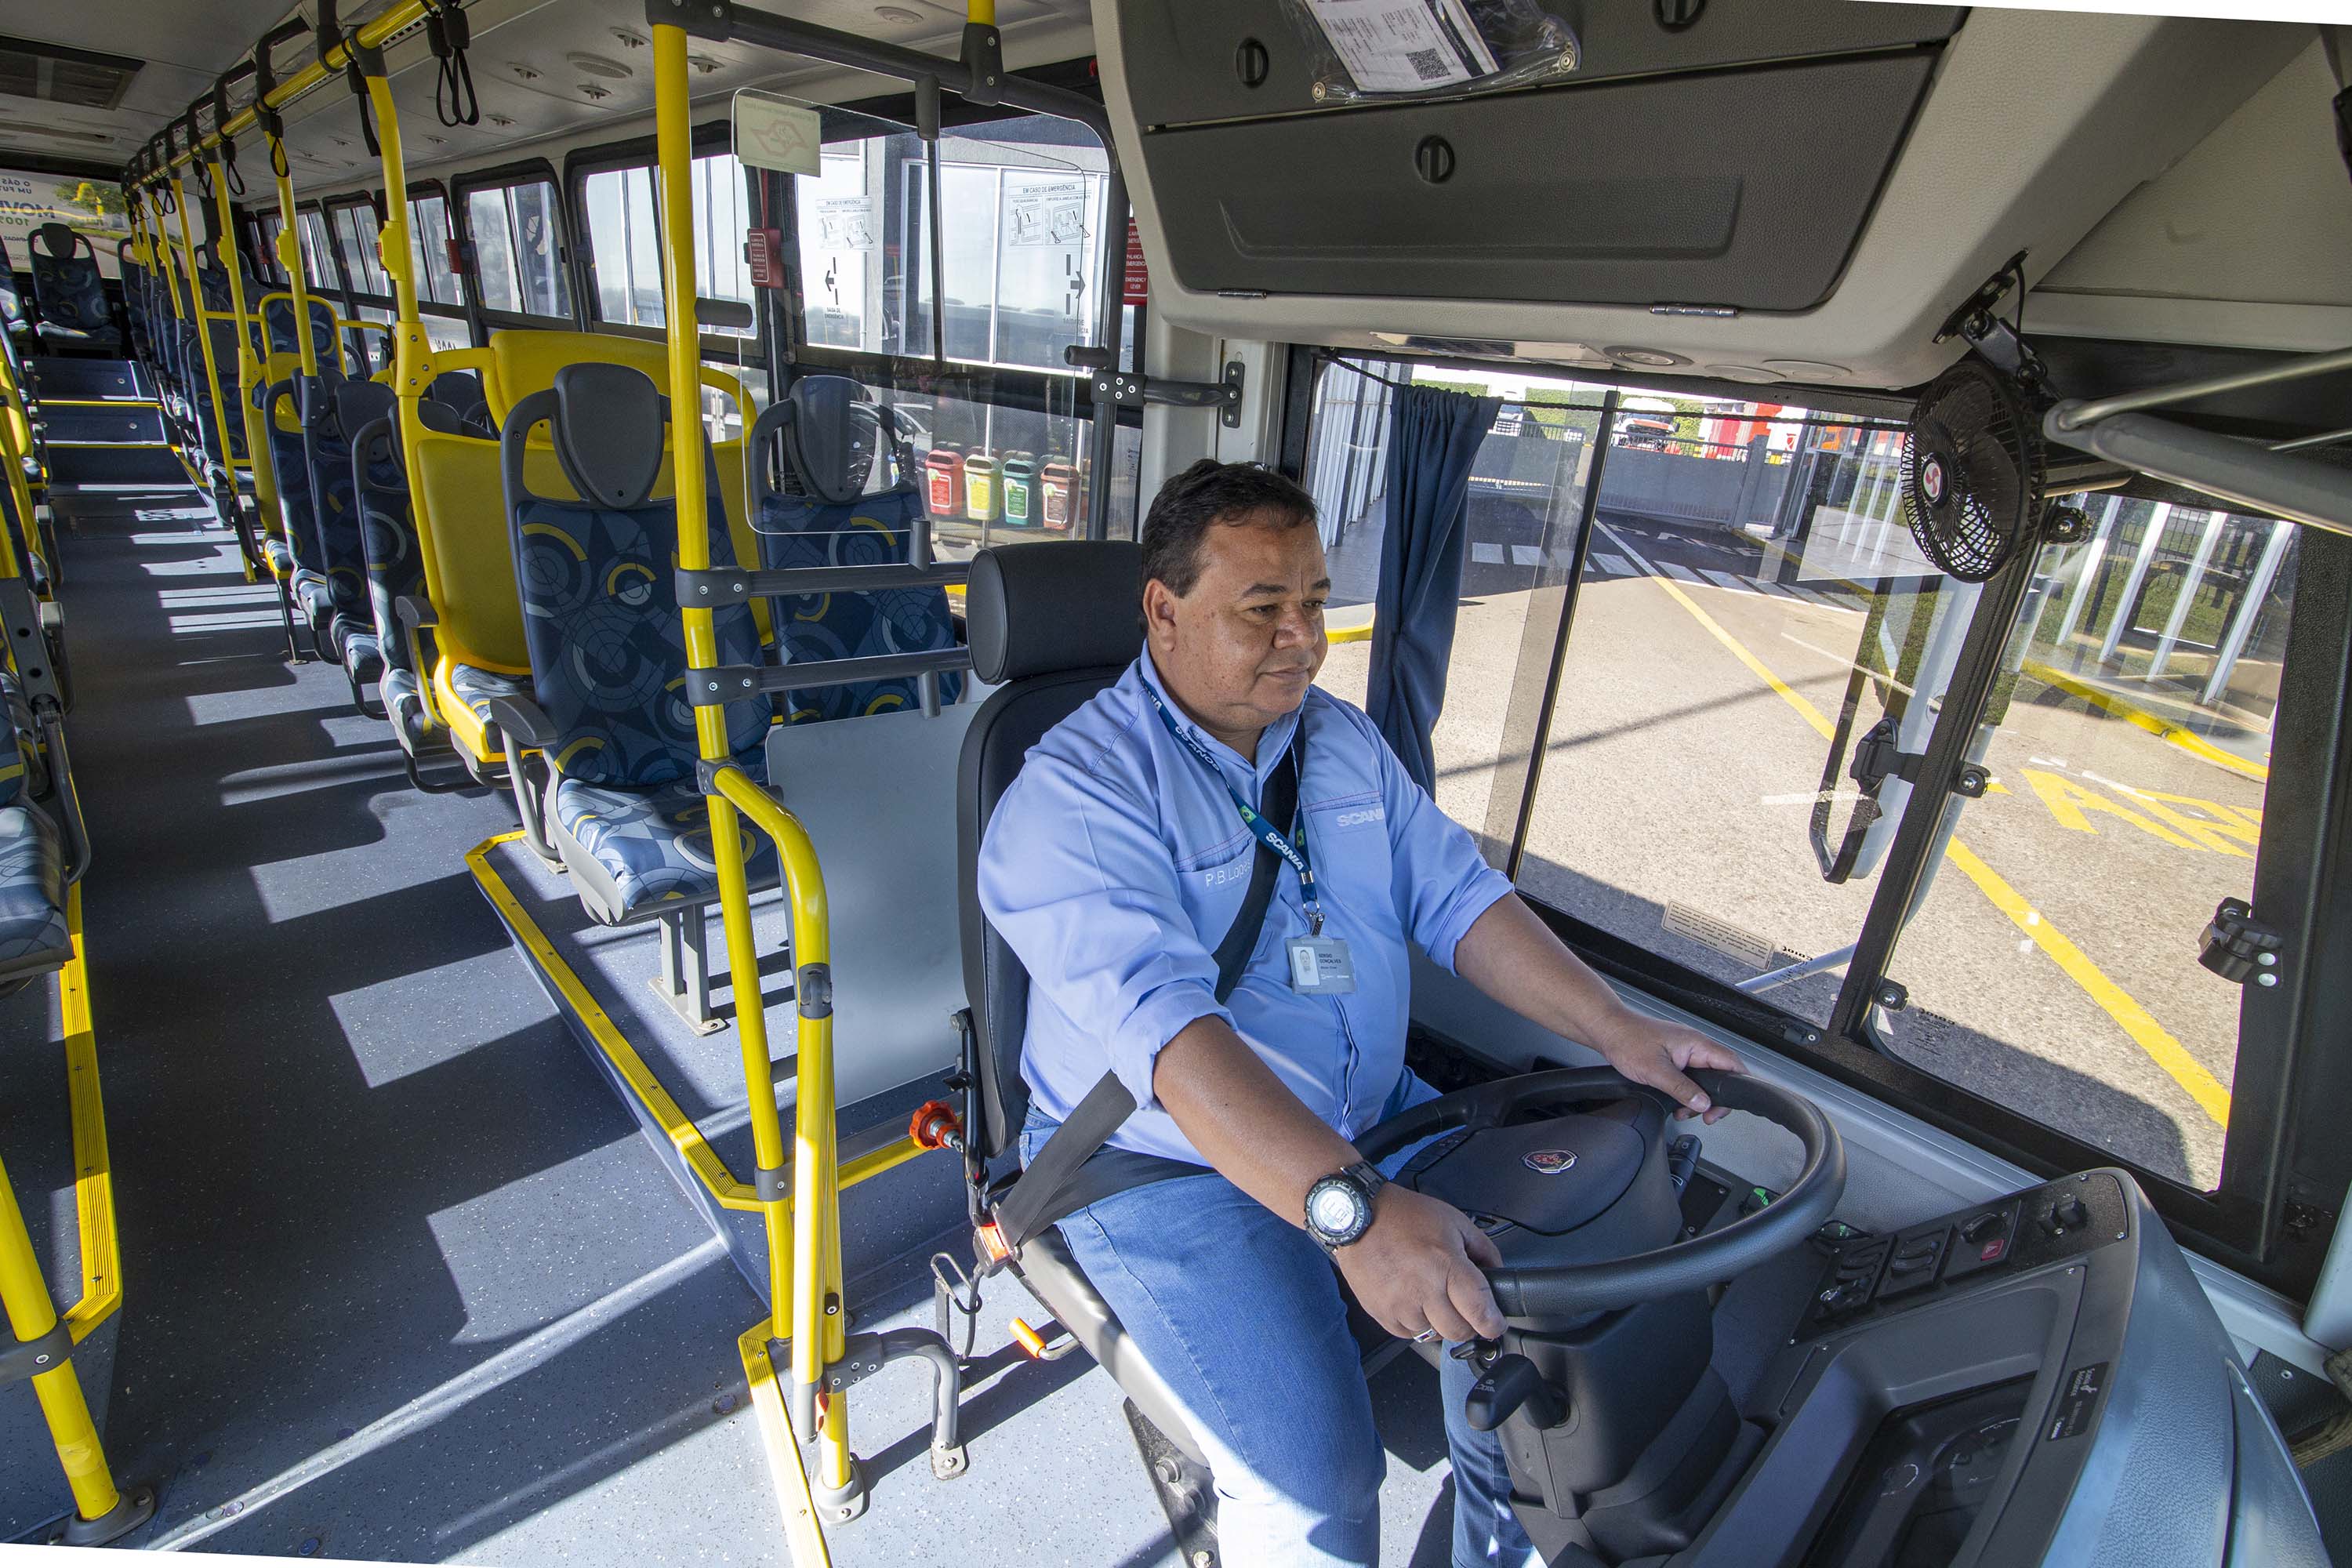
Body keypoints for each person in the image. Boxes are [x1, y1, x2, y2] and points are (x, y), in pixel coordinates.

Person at [978, 459, 1744, 1567]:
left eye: (1315, 603)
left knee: (1562, 1323)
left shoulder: (1336, 741)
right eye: (1262, 608)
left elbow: (1461, 899)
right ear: (1164, 610)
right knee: (1315, 1487)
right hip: (1173, 1165)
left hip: (1377, 1110)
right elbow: (1176, 1048)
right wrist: (1357, 1212)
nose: (1303, 637)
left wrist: (1615, 1028)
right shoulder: (1074, 795)